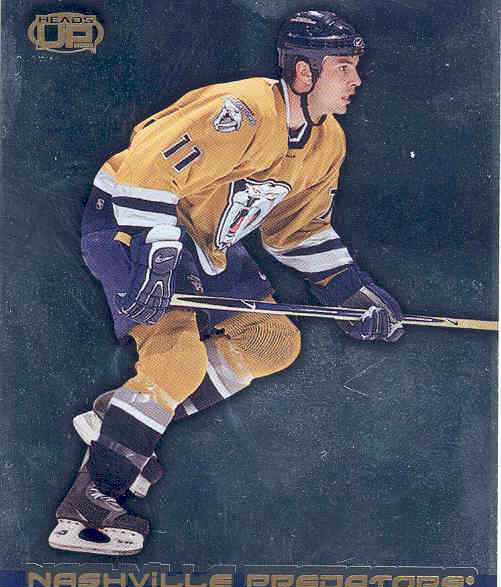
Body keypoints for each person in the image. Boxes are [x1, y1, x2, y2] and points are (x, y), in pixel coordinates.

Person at [49, 9, 404, 556]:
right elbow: (146, 167)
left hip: (204, 240)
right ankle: (88, 507)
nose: (356, 79)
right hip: (132, 223)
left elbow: (297, 229)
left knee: (274, 343)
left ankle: (123, 419)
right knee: (176, 363)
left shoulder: (327, 142)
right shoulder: (241, 111)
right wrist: (156, 252)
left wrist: (349, 290)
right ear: (304, 73)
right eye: (343, 68)